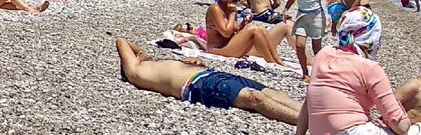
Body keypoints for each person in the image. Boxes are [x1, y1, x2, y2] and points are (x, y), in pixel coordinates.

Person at [114, 38, 302, 125]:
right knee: (255, 98)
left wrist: (195, 63)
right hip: (196, 85)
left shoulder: (152, 64)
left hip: (211, 74)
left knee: (272, 92)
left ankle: (313, 115)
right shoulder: (135, 71)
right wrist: (140, 55)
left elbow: (138, 50)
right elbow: (121, 41)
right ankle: (307, 124)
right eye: (137, 54)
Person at [297, 7, 412, 135]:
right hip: (352, 130)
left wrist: (299, 133)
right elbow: (401, 127)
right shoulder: (369, 68)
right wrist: (402, 120)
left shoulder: (324, 54)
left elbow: (309, 101)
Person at [205, 0, 291, 65]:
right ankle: (271, 61)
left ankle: (277, 60)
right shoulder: (215, 8)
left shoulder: (230, 7)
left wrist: (243, 23)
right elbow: (226, 33)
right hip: (217, 49)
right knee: (254, 29)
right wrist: (233, 14)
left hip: (229, 45)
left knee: (261, 29)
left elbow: (234, 31)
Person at [283, 0, 327, 83]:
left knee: (316, 48)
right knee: (300, 45)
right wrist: (286, 9)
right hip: (301, 14)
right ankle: (305, 73)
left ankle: (319, 72)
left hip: (316, 16)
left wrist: (334, 18)